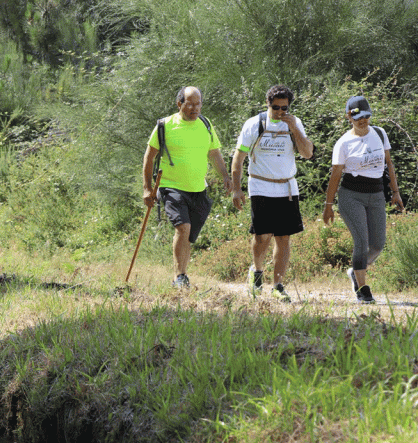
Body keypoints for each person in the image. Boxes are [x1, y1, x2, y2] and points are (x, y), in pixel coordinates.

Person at [142, 86, 232, 288]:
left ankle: (180, 275)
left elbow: (214, 153)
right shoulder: (165, 126)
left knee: (189, 235)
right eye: (190, 103)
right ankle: (180, 276)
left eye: (198, 103)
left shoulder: (206, 125)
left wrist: (225, 176)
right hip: (171, 186)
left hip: (198, 188)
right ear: (179, 104)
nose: (194, 108)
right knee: (183, 228)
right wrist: (148, 189)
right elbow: (149, 157)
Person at [231, 85, 314, 302]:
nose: (280, 112)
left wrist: (294, 128)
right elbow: (238, 158)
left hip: (287, 186)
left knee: (283, 237)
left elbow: (307, 153)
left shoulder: (294, 123)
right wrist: (236, 189)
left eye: (284, 108)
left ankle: (278, 285)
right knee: (262, 236)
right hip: (260, 184)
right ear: (267, 104)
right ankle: (257, 271)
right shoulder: (254, 124)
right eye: (275, 107)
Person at [323, 95, 403, 304]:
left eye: (366, 116)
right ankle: (362, 288)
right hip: (351, 195)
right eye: (358, 117)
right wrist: (328, 205)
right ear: (349, 116)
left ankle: (356, 270)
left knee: (377, 245)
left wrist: (395, 192)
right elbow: (335, 176)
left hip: (376, 194)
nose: (363, 121)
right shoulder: (343, 143)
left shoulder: (379, 133)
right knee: (361, 241)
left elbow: (389, 164)